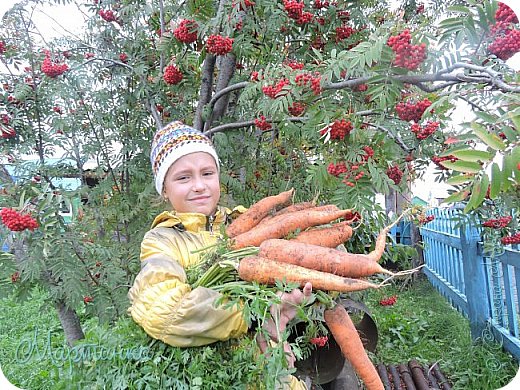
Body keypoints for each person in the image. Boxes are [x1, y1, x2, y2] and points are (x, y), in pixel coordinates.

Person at [127, 121, 311, 389]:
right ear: (164, 189)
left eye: (207, 173)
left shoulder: (246, 222)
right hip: (215, 375)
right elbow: (166, 312)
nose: (199, 185)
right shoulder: (163, 241)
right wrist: (256, 314)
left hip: (268, 368)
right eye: (183, 177)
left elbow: (296, 264)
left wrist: (292, 300)